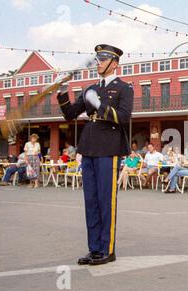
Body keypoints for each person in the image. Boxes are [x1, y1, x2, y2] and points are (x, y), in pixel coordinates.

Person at [56, 44, 133, 266]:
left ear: (114, 63)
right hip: (88, 146)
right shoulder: (91, 88)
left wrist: (99, 105)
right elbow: (70, 115)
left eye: (103, 59)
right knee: (90, 201)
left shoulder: (123, 88)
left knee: (105, 201)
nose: (98, 63)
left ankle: (107, 250)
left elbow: (124, 117)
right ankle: (94, 249)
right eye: (97, 59)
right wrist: (62, 91)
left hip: (109, 147)